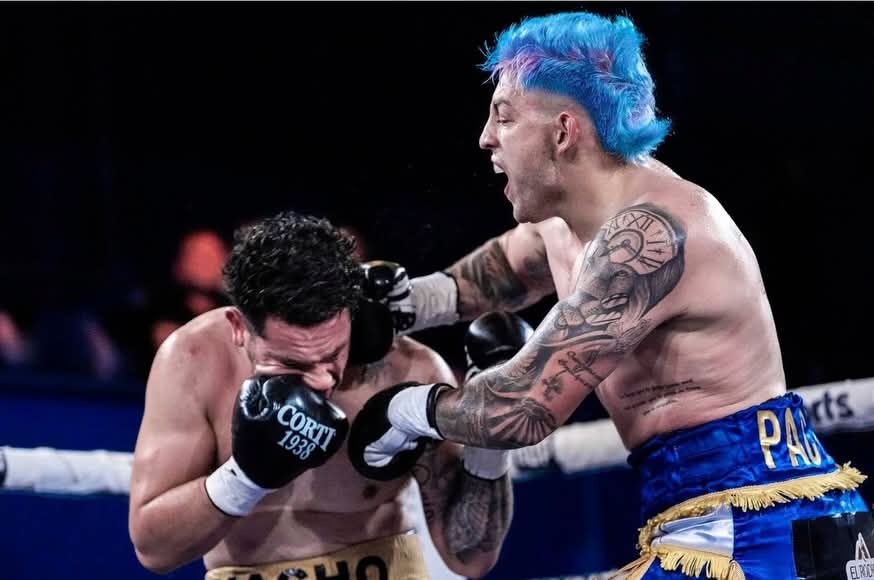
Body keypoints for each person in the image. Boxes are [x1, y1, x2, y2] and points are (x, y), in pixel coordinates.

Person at [348, 12, 870, 579]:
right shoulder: (567, 221)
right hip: (742, 514)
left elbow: (519, 409)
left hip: (750, 521)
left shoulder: (652, 235)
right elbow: (501, 273)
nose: (486, 137)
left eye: (504, 116)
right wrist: (397, 303)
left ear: (563, 132)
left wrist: (403, 409)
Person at [128, 210, 513, 579]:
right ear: (240, 327)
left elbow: (470, 557)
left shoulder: (409, 372)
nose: (320, 381)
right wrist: (244, 478)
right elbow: (154, 551)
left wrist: (490, 436)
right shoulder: (194, 361)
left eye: (332, 356)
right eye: (291, 362)